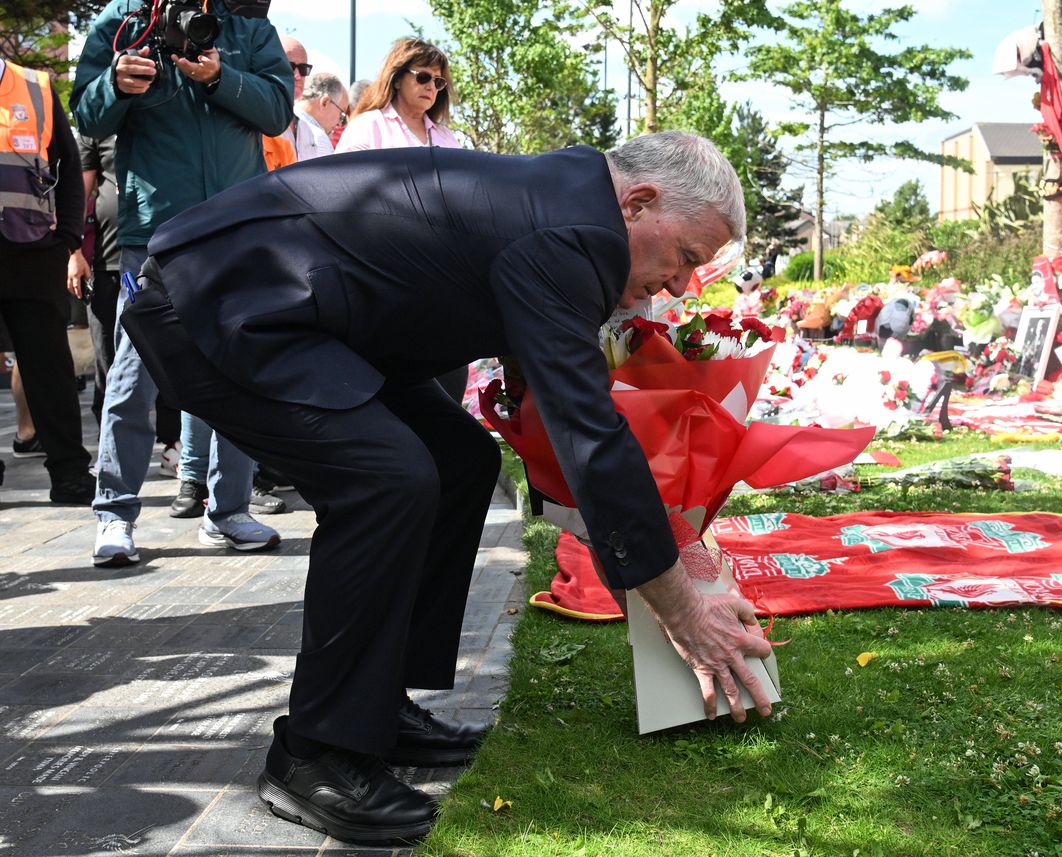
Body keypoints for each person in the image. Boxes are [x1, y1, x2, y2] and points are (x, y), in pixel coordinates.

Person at [119, 131, 772, 846]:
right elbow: (591, 435)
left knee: (458, 457)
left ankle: (371, 703)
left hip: (294, 310)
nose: (681, 284)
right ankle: (313, 753)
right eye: (684, 258)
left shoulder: (573, 204)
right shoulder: (574, 232)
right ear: (640, 201)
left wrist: (651, 537)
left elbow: (567, 406)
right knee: (387, 478)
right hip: (218, 301)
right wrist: (682, 610)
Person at [71, 0, 293, 565]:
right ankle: (115, 514)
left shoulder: (248, 29)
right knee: (133, 375)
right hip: (155, 234)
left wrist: (221, 76)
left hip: (235, 227)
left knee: (240, 371)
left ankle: (229, 511)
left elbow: (276, 113)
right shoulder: (120, 24)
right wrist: (117, 85)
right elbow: (88, 119)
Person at [336, 37, 467, 404]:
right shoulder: (367, 128)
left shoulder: (446, 137)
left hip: (441, 281)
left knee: (448, 389)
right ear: (397, 77)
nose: (431, 87)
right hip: (383, 278)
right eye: (423, 77)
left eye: (439, 82)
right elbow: (342, 200)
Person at [0, 56, 94, 504]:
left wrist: (69, 238)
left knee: (50, 368)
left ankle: (71, 474)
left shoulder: (35, 86)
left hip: (33, 252)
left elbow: (70, 168)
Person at [67, 132, 183, 474]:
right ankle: (109, 452)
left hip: (158, 260)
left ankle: (172, 445)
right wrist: (73, 252)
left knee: (167, 358)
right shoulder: (97, 129)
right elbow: (78, 194)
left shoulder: (164, 117)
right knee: (109, 362)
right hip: (106, 265)